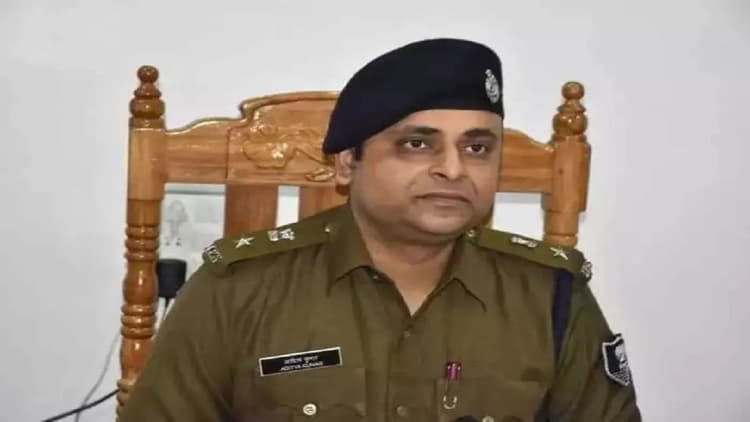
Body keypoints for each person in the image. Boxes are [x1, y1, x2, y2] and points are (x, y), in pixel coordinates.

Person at [119, 38, 641, 422]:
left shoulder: (551, 295)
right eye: (418, 144)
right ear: (348, 163)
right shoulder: (238, 289)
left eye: (478, 148)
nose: (454, 169)